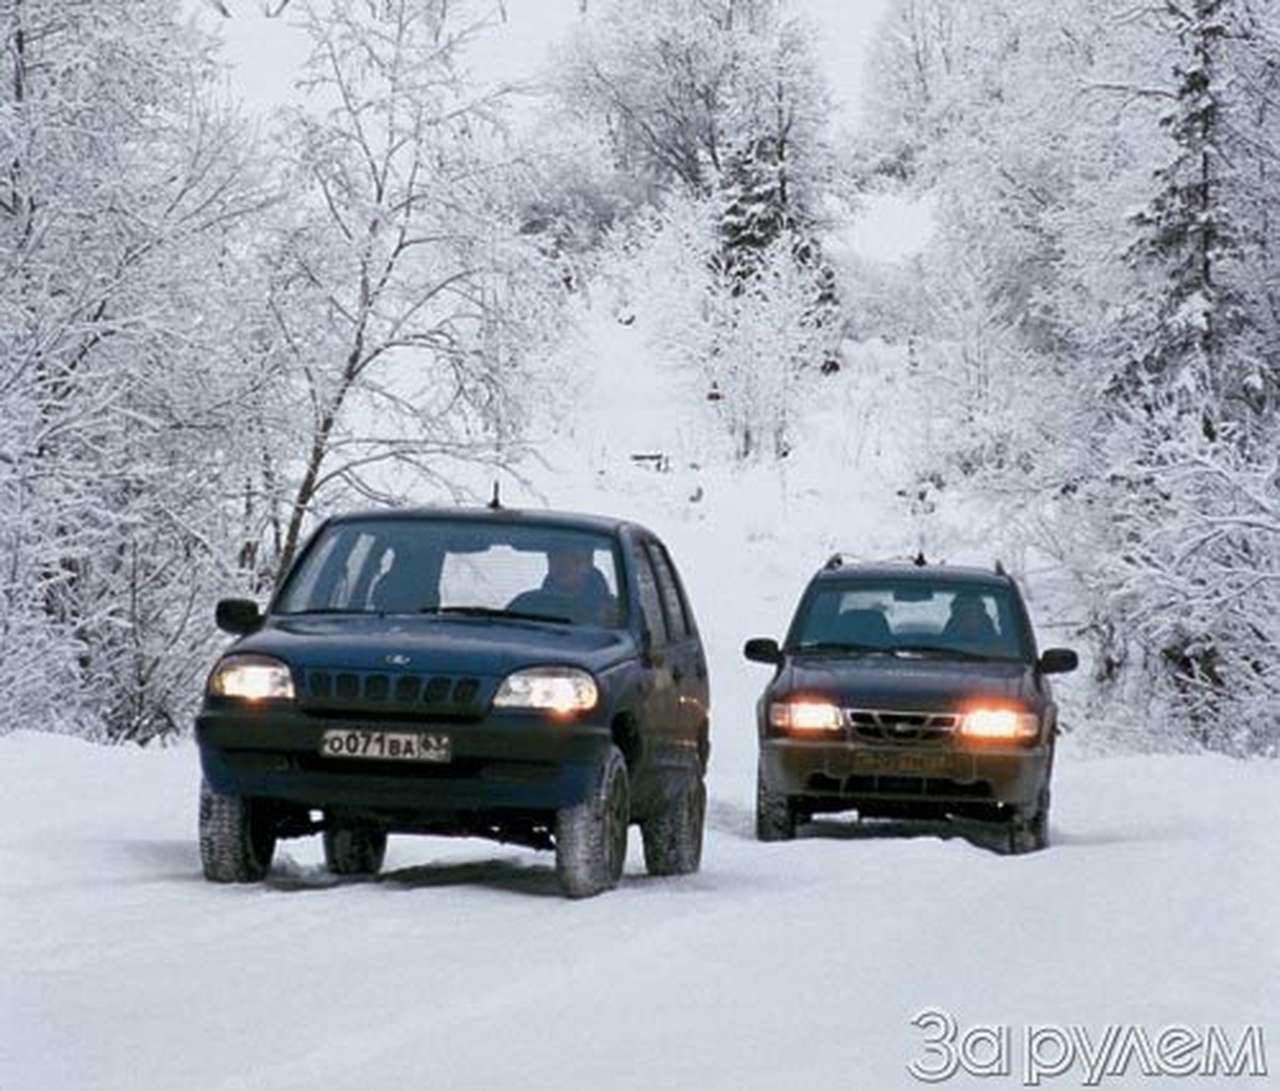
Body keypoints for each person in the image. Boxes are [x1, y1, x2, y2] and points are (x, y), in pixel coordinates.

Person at [508, 540, 618, 626]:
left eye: (574, 559)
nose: (566, 566)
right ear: (549, 561)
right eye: (559, 558)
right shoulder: (525, 605)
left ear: (589, 564)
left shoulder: (614, 611)